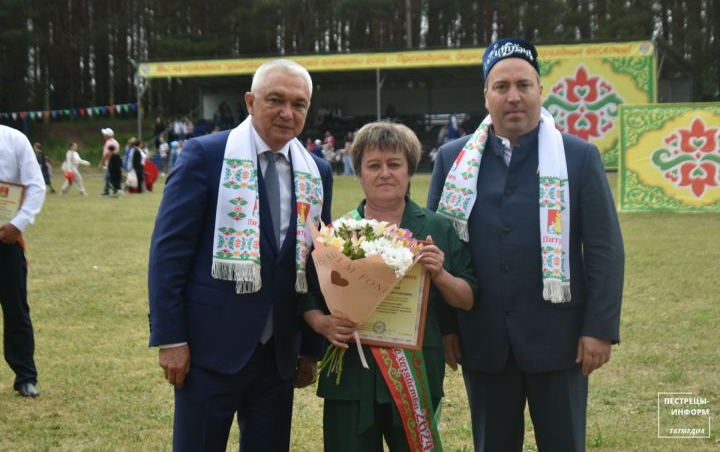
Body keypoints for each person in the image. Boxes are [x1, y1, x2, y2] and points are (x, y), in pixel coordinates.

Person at [427, 38, 624, 452]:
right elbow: (437, 250)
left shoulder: (579, 158)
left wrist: (599, 329)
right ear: (485, 95)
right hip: (482, 339)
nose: (513, 96)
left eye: (523, 85)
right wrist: (446, 326)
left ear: (540, 90)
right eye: (501, 87)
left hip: (561, 341)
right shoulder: (452, 160)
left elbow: (605, 250)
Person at [148, 58, 333, 451]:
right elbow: (170, 253)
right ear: (250, 101)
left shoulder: (317, 172)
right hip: (208, 348)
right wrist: (170, 338)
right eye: (275, 100)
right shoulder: (204, 156)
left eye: (299, 104)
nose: (287, 113)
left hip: (279, 354)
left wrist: (309, 349)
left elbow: (318, 265)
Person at [301, 121, 476, 451]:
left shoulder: (437, 229)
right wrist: (320, 322)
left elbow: (467, 298)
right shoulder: (336, 233)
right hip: (350, 375)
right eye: (374, 165)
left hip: (417, 374)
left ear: (410, 170)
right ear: (359, 173)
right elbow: (307, 293)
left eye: (394, 164)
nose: (385, 173)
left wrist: (440, 273)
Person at [0, 125, 46, 397]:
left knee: (16, 309)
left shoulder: (14, 139)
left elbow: (36, 185)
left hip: (7, 240)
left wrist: (19, 223)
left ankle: (25, 375)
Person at [100, 128, 120, 196]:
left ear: (108, 135)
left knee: (107, 177)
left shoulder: (108, 143)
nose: (103, 136)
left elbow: (106, 154)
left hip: (109, 163)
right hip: (115, 163)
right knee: (113, 177)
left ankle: (106, 192)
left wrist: (101, 163)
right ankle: (114, 190)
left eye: (104, 134)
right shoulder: (116, 142)